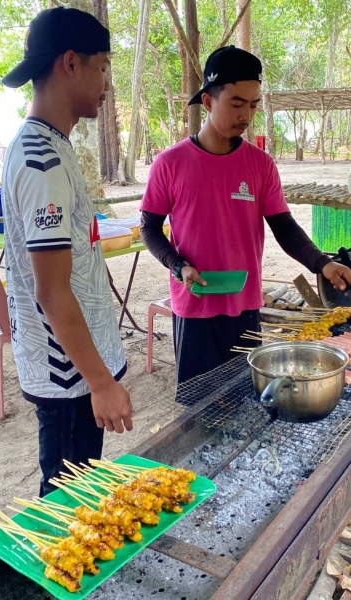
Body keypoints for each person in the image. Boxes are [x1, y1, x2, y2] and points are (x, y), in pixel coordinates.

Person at [140, 46, 351, 385]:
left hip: (244, 306)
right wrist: (178, 265)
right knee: (198, 408)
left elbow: (284, 226)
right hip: (195, 306)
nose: (246, 115)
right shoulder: (170, 163)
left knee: (241, 405)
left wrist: (321, 264)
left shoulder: (260, 165)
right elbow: (149, 228)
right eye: (236, 103)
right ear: (208, 102)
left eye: (253, 105)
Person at [0, 7, 133, 497]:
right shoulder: (41, 160)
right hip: (68, 376)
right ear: (71, 63)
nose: (106, 84)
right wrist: (100, 382)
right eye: (103, 68)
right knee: (65, 506)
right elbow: (51, 290)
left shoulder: (53, 146)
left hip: (76, 368)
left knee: (83, 493)